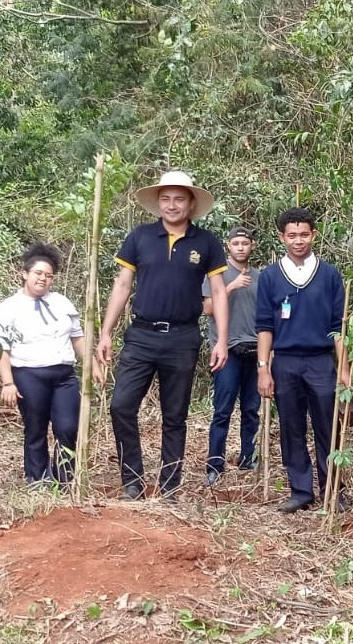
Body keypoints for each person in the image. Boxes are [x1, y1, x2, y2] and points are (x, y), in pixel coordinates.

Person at [96, 171, 230, 502]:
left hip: (182, 338)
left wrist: (222, 339)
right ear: (158, 203)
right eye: (166, 199)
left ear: (191, 203)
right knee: (121, 405)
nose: (172, 205)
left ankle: (170, 485)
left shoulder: (207, 243)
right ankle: (132, 480)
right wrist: (105, 331)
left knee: (175, 415)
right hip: (141, 336)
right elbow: (123, 285)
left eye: (179, 199)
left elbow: (218, 292)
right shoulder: (140, 237)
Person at [255, 207, 352, 514]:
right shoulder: (270, 277)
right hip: (285, 362)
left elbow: (339, 326)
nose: (298, 241)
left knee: (328, 426)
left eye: (304, 234)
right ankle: (300, 490)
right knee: (291, 427)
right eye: (292, 235)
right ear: (282, 237)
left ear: (314, 235)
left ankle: (333, 490)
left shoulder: (330, 275)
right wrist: (263, 368)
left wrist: (344, 368)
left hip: (321, 362)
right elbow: (264, 326)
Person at [0, 243, 85, 485]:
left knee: (67, 427)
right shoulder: (8, 308)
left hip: (64, 375)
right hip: (28, 375)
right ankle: (38, 479)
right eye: (38, 274)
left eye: (48, 275)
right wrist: (8, 382)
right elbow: (1, 349)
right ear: (25, 274)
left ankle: (65, 478)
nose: (43, 279)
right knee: (35, 428)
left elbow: (77, 338)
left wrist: (92, 364)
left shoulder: (62, 303)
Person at [202, 226, 262, 487]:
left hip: (255, 350)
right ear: (228, 246)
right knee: (222, 410)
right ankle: (215, 464)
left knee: (252, 409)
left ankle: (248, 458)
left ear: (252, 246)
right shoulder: (218, 275)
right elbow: (207, 309)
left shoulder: (261, 277)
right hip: (227, 351)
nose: (240, 247)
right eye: (235, 243)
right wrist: (231, 286)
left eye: (244, 243)